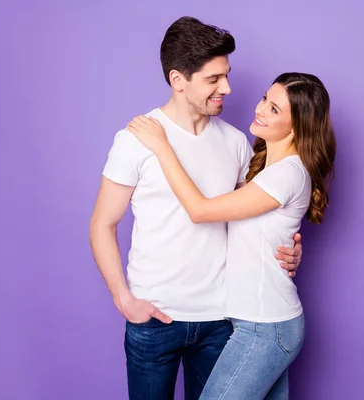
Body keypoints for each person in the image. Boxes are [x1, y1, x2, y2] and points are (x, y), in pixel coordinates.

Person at [89, 17, 303, 400]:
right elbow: (103, 223)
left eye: (227, 75)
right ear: (178, 80)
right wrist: (124, 299)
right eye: (213, 79)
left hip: (220, 321)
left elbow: (253, 216)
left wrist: (290, 247)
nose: (228, 88)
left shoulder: (237, 142)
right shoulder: (136, 139)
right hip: (154, 320)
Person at [126, 71, 336, 399]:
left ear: (296, 128)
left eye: (274, 109)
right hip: (261, 323)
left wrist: (161, 146)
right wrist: (292, 247)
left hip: (264, 329)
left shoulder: (285, 174)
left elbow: (201, 211)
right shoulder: (267, 171)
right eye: (266, 98)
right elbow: (260, 228)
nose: (260, 108)